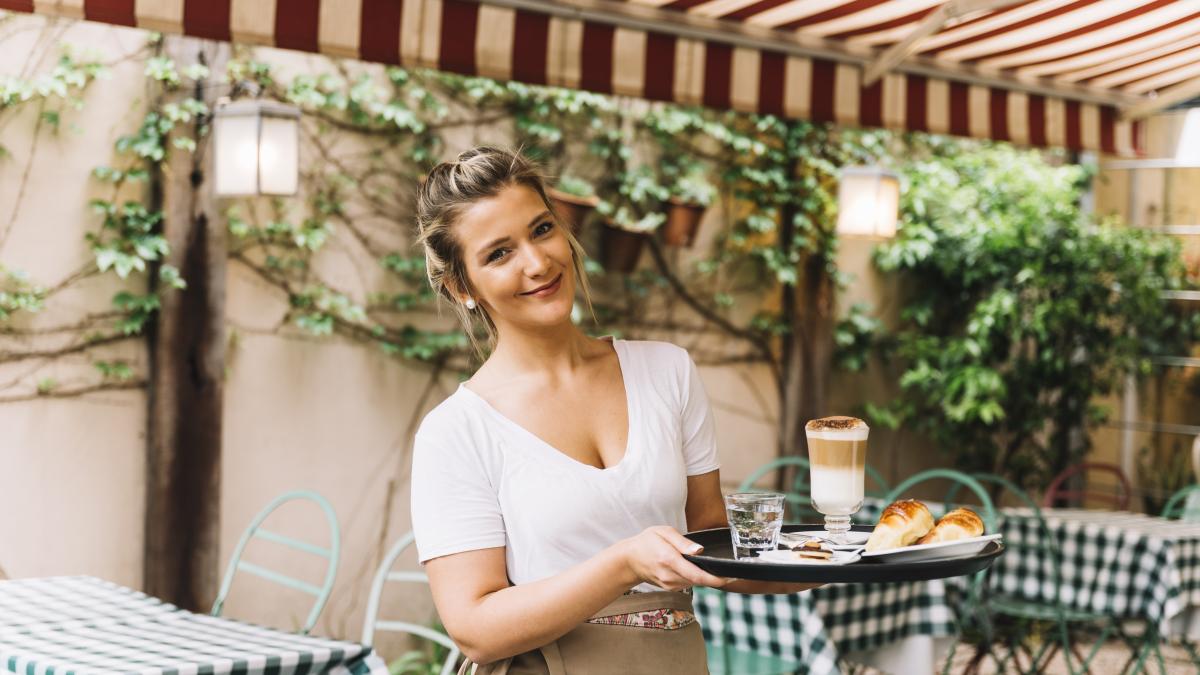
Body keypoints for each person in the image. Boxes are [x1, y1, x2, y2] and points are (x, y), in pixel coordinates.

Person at [410, 147, 816, 675]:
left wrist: (847, 556)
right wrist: (623, 564)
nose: (537, 263)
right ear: (461, 287)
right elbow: (476, 629)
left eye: (541, 229)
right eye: (499, 254)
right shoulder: (457, 431)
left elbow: (715, 542)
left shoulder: (667, 371)